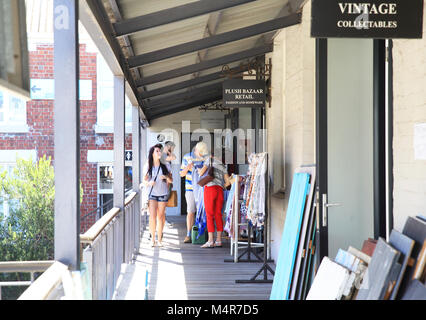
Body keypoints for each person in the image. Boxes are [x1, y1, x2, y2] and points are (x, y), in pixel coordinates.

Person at [198, 149, 231, 248]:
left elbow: (201, 173)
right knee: (218, 214)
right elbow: (228, 182)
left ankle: (210, 240)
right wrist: (221, 185)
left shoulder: (209, 160)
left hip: (210, 189)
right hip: (220, 190)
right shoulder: (223, 166)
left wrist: (198, 170)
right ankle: (219, 240)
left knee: (209, 214)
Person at [143, 144, 173, 247]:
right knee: (152, 217)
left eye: (160, 151)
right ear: (152, 154)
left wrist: (165, 177)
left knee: (160, 217)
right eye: (157, 151)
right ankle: (152, 240)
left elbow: (171, 180)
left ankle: (159, 240)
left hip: (163, 194)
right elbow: (144, 181)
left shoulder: (166, 165)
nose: (159, 152)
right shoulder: (148, 165)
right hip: (152, 194)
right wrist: (149, 183)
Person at [179, 142, 205, 243]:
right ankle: (188, 234)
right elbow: (181, 174)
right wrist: (188, 167)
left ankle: (201, 233)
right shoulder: (187, 157)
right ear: (195, 150)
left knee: (202, 212)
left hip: (202, 189)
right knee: (190, 211)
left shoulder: (204, 157)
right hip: (190, 188)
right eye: (200, 151)